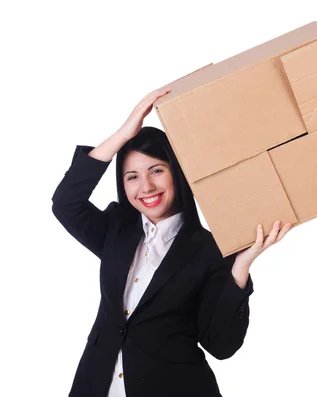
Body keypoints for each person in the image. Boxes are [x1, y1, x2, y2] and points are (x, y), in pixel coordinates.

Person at [52, 88, 292, 397]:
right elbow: (65, 203)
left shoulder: (209, 250)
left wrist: (241, 266)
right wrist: (124, 134)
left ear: (175, 173)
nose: (146, 186)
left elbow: (221, 345)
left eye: (156, 171)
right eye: (132, 177)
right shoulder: (116, 230)